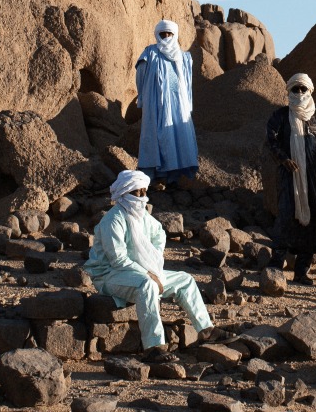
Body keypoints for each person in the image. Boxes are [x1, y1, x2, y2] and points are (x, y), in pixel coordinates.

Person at [84, 169, 217, 358]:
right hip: (110, 275)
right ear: (124, 193)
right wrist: (149, 274)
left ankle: (206, 331)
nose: (141, 197)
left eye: (144, 192)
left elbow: (159, 233)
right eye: (136, 192)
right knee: (147, 285)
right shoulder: (113, 220)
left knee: (185, 280)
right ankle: (154, 348)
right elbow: (118, 259)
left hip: (141, 272)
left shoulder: (142, 216)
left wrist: (152, 258)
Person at [264, 73, 316, 284]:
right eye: (295, 89)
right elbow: (271, 141)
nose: (299, 93)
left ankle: (302, 270)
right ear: (289, 91)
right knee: (285, 215)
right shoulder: (280, 116)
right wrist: (283, 159)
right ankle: (275, 264)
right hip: (287, 176)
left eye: (303, 89)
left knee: (312, 220)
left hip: (313, 179)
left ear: (310, 91)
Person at [135, 19, 198, 186]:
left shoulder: (184, 57)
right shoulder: (150, 53)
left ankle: (172, 177)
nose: (166, 37)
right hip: (157, 103)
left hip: (176, 104)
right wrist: (142, 97)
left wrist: (188, 103)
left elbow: (187, 81)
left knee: (175, 135)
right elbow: (140, 75)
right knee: (157, 135)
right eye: (163, 34)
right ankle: (156, 175)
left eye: (169, 34)